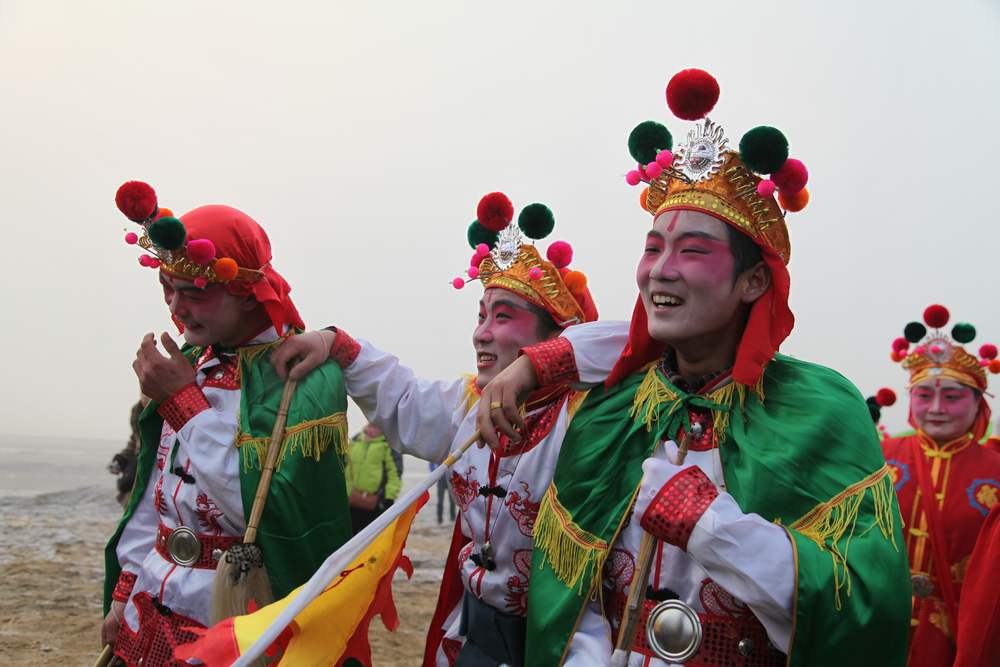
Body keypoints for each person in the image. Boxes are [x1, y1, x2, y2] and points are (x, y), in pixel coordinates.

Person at [476, 69, 911, 666]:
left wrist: (711, 524)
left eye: (693, 250)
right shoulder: (613, 412)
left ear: (754, 280)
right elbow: (569, 593)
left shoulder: (820, 409)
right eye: (653, 247)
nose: (661, 270)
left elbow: (866, 607)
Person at [271, 192, 606, 666]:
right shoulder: (466, 404)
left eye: (504, 316)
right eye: (481, 315)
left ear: (557, 334)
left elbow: (634, 342)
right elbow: (401, 396)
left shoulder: (591, 416)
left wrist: (537, 367)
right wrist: (334, 343)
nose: (481, 333)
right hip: (471, 636)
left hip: (563, 644)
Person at [101, 182, 352, 666]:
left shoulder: (302, 376)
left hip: (234, 616)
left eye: (194, 292)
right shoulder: (191, 360)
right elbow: (153, 497)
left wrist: (183, 402)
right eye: (167, 289)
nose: (175, 308)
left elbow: (269, 517)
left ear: (244, 289)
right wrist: (123, 592)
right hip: (152, 607)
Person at [881, 305, 1000, 666]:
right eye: (923, 396)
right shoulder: (876, 460)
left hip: (961, 637)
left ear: (979, 403)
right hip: (876, 624)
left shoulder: (996, 472)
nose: (936, 408)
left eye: (952, 397)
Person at [346, 422, 402, 532]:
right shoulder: (356, 440)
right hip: (351, 502)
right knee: (350, 540)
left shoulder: (389, 445)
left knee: (371, 543)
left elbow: (395, 474)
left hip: (375, 505)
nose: (371, 428)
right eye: (370, 424)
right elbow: (345, 467)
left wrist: (387, 500)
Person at [108, 398, 147, 507]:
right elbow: (135, 440)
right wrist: (122, 458)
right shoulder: (137, 410)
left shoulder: (166, 409)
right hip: (135, 485)